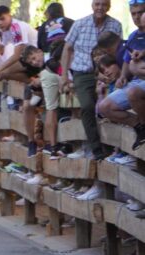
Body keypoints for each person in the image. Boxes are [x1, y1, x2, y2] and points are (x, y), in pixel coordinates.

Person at [60, 0, 122, 160]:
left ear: (109, 6)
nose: (100, 8)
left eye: (104, 4)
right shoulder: (80, 24)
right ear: (92, 5)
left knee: (110, 106)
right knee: (87, 106)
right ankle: (97, 150)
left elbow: (118, 50)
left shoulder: (115, 25)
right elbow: (67, 48)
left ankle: (114, 149)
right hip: (83, 73)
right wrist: (64, 76)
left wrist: (113, 73)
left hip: (106, 72)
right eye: (97, 4)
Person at [98, 1, 145, 150]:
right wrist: (123, 76)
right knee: (104, 107)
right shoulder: (132, 36)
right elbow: (126, 60)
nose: (137, 17)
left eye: (140, 13)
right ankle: (139, 126)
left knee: (133, 93)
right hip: (137, 80)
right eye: (134, 14)